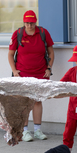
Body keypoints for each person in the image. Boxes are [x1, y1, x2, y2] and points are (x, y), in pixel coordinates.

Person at [8, 10, 55, 142]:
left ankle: (38, 130)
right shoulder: (18, 34)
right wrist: (15, 71)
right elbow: (11, 54)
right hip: (23, 73)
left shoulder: (43, 33)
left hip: (41, 72)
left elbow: (51, 52)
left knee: (38, 100)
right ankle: (24, 131)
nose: (29, 25)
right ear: (24, 23)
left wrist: (49, 68)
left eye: (32, 23)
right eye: (27, 23)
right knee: (24, 101)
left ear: (35, 22)